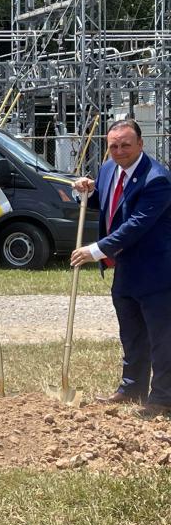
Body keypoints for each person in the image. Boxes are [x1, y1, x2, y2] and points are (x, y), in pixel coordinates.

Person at [71, 119, 171, 416]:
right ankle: (131, 388)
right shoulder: (106, 170)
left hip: (157, 271)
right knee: (131, 333)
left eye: (126, 144)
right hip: (126, 268)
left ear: (141, 144)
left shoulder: (157, 179)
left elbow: (136, 223)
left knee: (161, 337)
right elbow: (108, 203)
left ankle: (163, 398)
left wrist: (95, 250)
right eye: (113, 145)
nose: (119, 150)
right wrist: (85, 192)